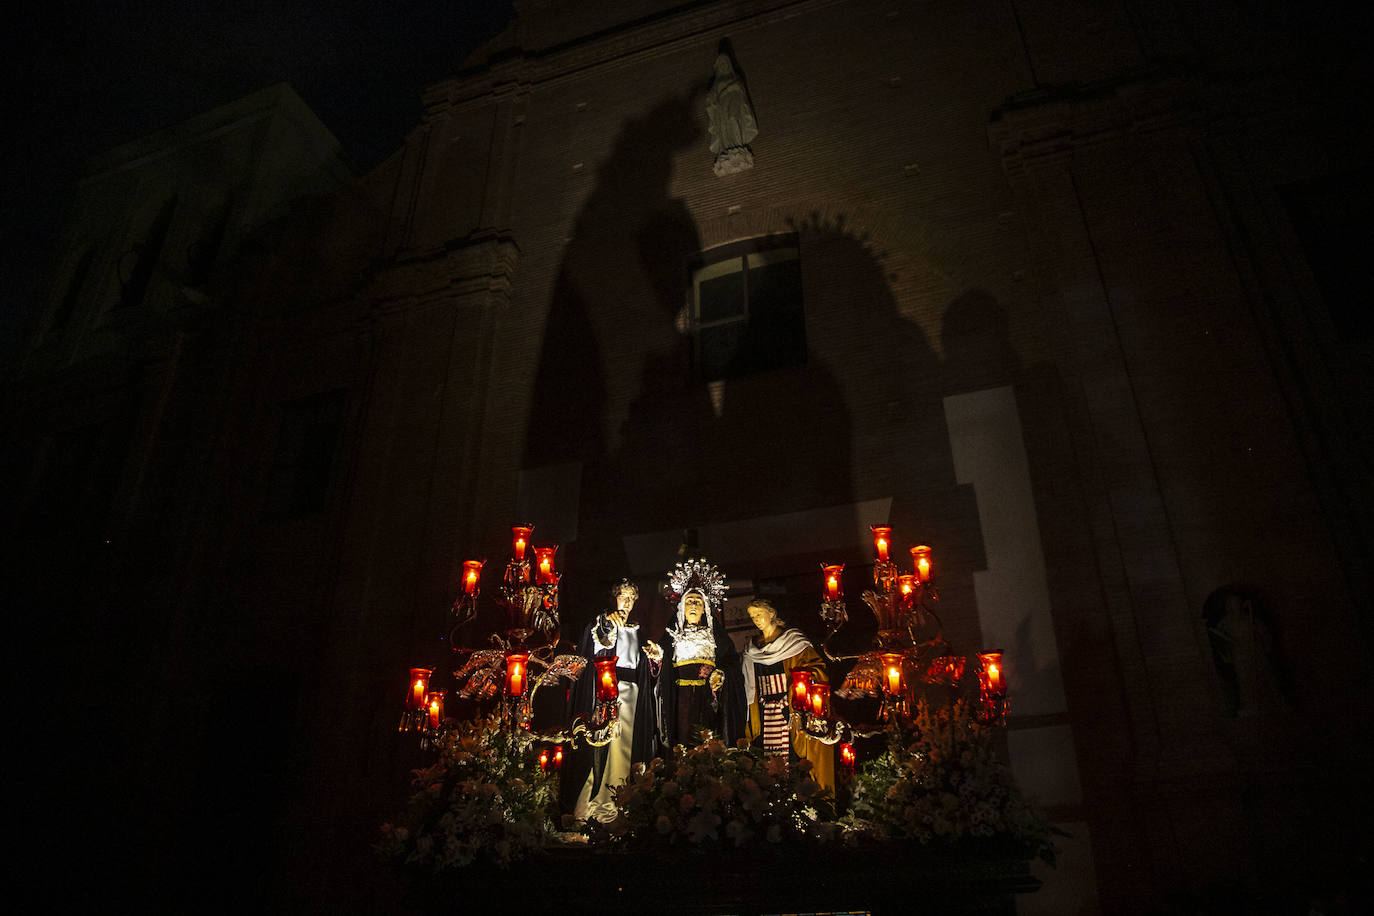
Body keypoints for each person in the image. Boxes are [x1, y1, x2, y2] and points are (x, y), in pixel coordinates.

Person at [562, 579, 662, 823]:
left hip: (632, 697)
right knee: (605, 746)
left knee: (626, 749)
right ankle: (596, 802)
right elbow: (599, 642)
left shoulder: (638, 630)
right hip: (608, 696)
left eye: (631, 598)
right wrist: (607, 622)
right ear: (614, 598)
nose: (626, 602)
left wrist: (655, 658)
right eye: (622, 597)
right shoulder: (603, 623)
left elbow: (646, 670)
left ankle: (622, 802)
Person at [741, 598, 834, 793]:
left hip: (790, 711)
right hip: (764, 714)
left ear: (771, 613)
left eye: (759, 614)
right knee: (767, 765)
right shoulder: (752, 649)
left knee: (794, 760)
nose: (756, 619)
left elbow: (818, 670)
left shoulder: (794, 642)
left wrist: (801, 682)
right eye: (752, 616)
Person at [657, 586, 746, 749]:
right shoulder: (672, 638)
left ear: (704, 608)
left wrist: (720, 673)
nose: (693, 605)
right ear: (682, 607)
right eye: (689, 601)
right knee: (683, 739)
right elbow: (660, 666)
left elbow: (731, 662)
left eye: (698, 602)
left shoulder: (715, 636)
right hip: (681, 700)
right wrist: (656, 658)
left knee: (709, 738)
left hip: (707, 698)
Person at [705, 52, 758, 175]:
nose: (723, 66)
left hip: (734, 104)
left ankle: (737, 145)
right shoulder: (716, 84)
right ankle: (728, 147)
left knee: (733, 120)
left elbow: (740, 91)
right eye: (721, 64)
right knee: (725, 126)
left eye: (725, 63)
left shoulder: (734, 78)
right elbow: (711, 101)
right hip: (722, 110)